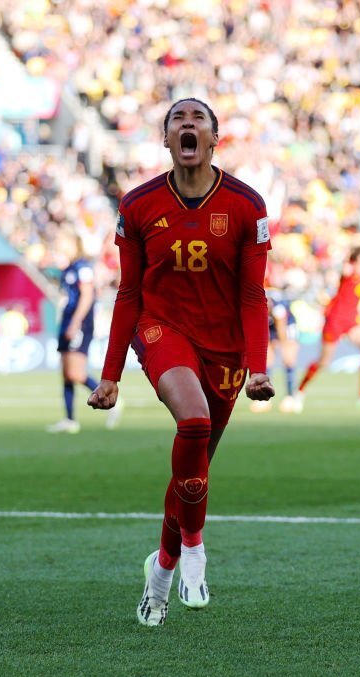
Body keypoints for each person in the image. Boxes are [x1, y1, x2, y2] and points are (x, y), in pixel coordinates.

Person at [87, 98, 274, 626]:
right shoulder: (139, 204)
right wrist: (110, 375)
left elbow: (253, 296)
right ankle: (195, 548)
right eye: (178, 120)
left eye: (198, 120)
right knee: (192, 419)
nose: (187, 125)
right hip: (161, 328)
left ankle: (162, 571)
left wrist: (258, 366)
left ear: (215, 138)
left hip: (227, 350)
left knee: (192, 474)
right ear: (165, 139)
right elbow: (127, 294)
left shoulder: (246, 205)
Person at [294, 245, 360, 411]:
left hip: (352, 321)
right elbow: (342, 269)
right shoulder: (350, 270)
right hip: (334, 320)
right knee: (324, 361)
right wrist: (344, 259)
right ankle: (299, 392)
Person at [46, 234, 121, 433]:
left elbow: (87, 296)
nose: (59, 251)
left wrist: (76, 322)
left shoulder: (83, 268)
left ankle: (110, 397)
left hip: (78, 324)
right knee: (66, 374)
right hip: (66, 322)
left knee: (75, 373)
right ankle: (70, 420)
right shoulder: (68, 269)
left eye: (62, 247)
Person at [250, 288, 300, 413]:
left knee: (288, 359)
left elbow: (282, 330)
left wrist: (284, 346)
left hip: (287, 325)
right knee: (267, 360)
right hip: (269, 325)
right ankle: (264, 398)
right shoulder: (255, 306)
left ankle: (290, 397)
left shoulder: (279, 310)